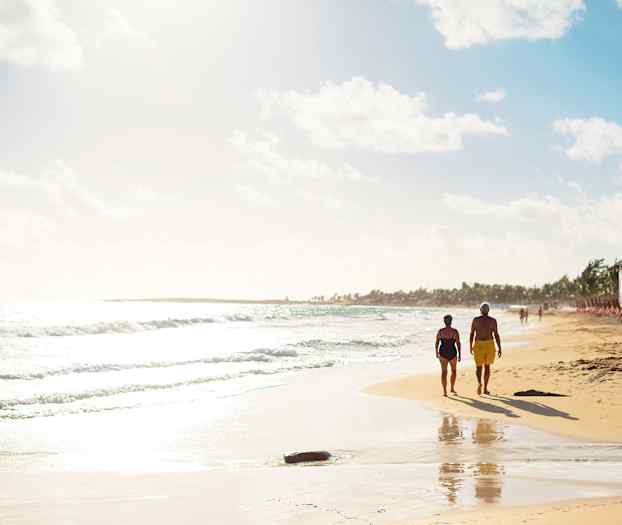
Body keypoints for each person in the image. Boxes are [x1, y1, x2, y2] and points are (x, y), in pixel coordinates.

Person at [470, 302, 502, 396]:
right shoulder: (493, 321)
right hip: (489, 344)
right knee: (487, 367)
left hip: (478, 344)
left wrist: (470, 346)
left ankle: (479, 383)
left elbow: (472, 333)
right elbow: (496, 335)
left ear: (480, 310)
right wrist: (499, 347)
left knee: (478, 367)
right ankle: (485, 389)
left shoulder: (476, 320)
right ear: (488, 310)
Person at [435, 314, 461, 397]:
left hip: (443, 352)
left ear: (444, 321)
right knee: (454, 371)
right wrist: (459, 354)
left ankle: (444, 391)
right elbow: (458, 343)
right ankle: (452, 388)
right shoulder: (455, 331)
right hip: (452, 352)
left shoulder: (440, 331)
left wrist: (436, 352)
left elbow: (437, 342)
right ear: (451, 321)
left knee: (444, 372)